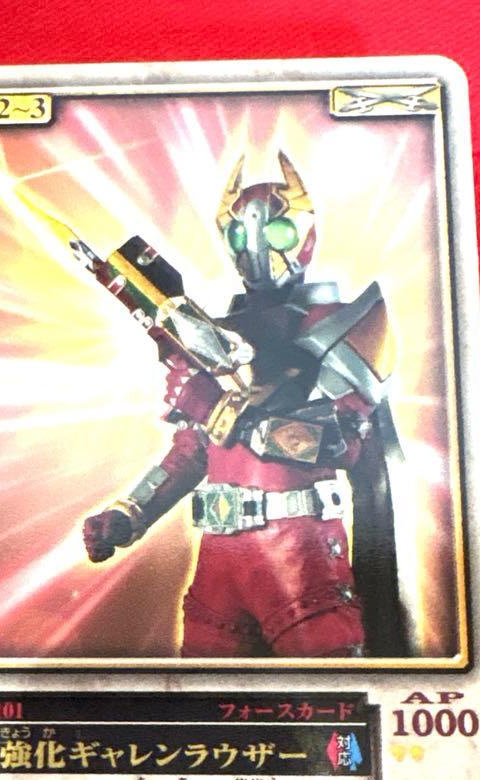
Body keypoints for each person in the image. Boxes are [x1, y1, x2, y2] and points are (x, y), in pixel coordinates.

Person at [83, 152, 410, 658]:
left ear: (306, 235)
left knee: (328, 697)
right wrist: (131, 512)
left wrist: (219, 409)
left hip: (302, 563)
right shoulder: (218, 332)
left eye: (276, 232)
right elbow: (195, 449)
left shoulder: (345, 322)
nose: (255, 247)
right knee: (208, 700)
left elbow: (337, 443)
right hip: (218, 569)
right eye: (239, 235)